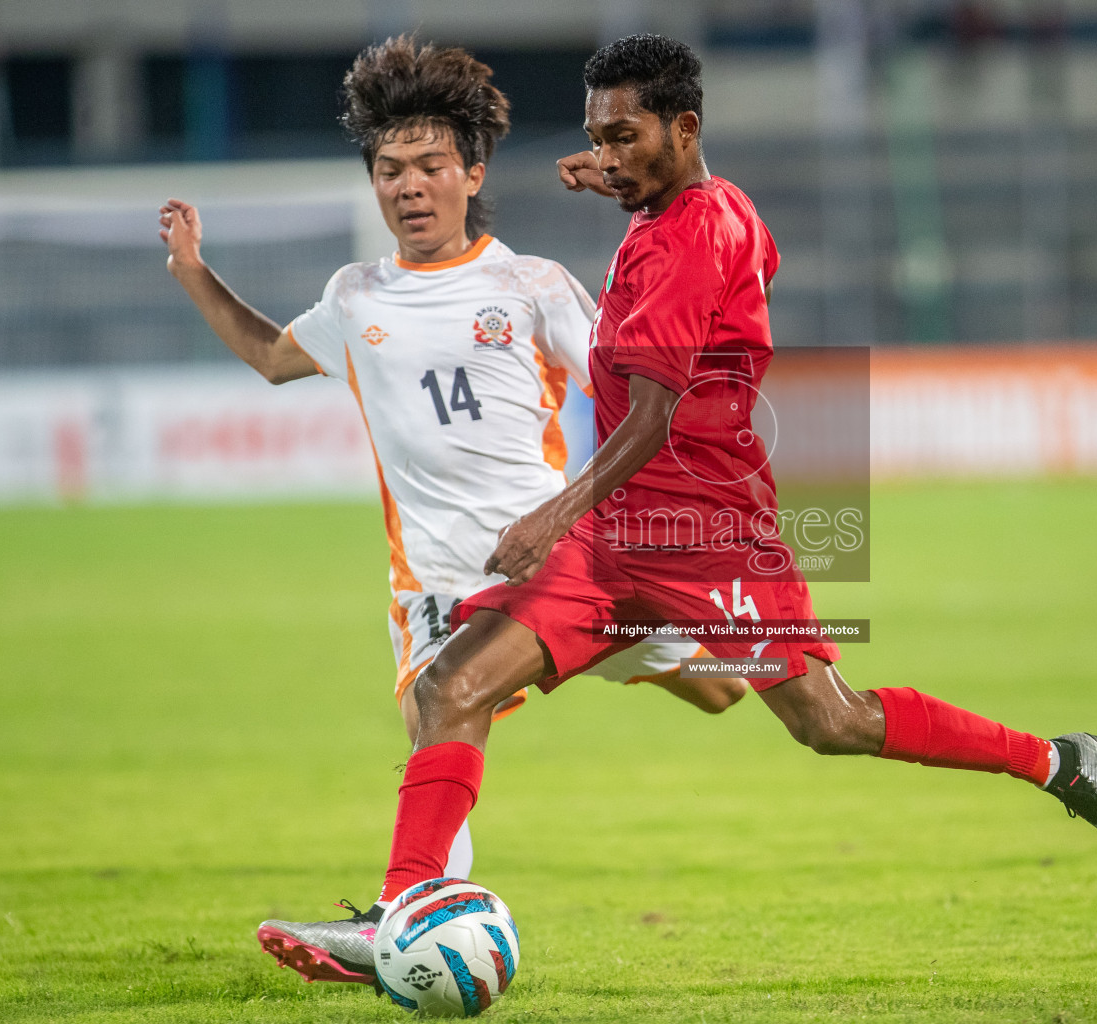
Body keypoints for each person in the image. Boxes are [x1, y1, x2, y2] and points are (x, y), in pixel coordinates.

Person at [261, 33, 1097, 987]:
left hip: (705, 538)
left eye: (624, 138)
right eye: (597, 137)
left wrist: (550, 517)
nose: (604, 156)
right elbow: (738, 256)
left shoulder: (690, 232)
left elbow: (654, 413)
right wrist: (637, 183)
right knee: (450, 688)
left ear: (683, 129)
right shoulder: (704, 210)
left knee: (831, 722)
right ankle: (399, 913)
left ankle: (1063, 764)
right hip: (618, 548)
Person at [160, 36, 747, 982]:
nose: (409, 186)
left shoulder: (533, 286)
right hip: (437, 581)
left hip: (563, 568)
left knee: (727, 686)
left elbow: (637, 383)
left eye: (431, 165)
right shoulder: (355, 298)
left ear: (473, 173)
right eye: (390, 170)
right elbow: (273, 357)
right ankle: (398, 926)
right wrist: (193, 270)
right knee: (442, 714)